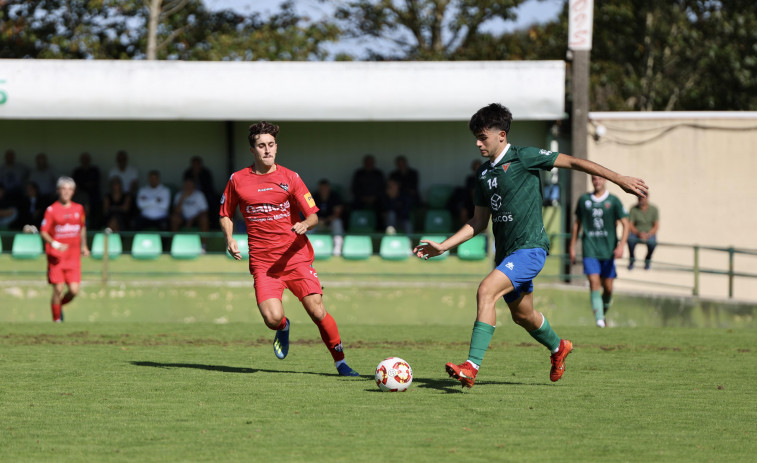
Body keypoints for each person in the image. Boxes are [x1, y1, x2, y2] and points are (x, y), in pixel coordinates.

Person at [413, 103, 647, 388]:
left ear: (501, 135)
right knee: (523, 316)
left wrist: (619, 179)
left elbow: (575, 162)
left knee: (486, 291)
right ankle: (559, 347)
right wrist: (443, 246)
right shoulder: (484, 175)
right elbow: (478, 221)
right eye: (476, 136)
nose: (477, 143)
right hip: (506, 255)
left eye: (482, 137)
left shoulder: (525, 157)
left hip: (531, 248)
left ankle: (471, 367)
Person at [220, 121, 359, 377]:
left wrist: (305, 224)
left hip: (296, 259)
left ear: (276, 147)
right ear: (252, 150)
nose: (267, 150)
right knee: (272, 319)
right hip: (264, 265)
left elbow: (314, 215)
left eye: (271, 145)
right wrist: (229, 238)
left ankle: (341, 363)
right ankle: (283, 327)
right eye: (261, 146)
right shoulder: (237, 180)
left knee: (317, 309)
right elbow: (225, 213)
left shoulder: (291, 177)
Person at [569, 175, 629, 328]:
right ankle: (600, 321)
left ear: (605, 180)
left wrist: (621, 245)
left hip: (608, 251)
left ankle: (602, 313)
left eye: (599, 179)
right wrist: (572, 246)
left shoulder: (613, 201)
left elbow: (626, 224)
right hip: (590, 249)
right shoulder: (584, 200)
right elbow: (577, 224)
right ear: (591, 181)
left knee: (608, 289)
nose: (597, 182)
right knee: (594, 283)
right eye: (594, 179)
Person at [39, 177, 90, 322]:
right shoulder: (51, 210)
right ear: (58, 190)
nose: (66, 192)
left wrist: (84, 246)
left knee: (74, 291)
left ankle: (58, 306)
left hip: (73, 258)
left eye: (69, 189)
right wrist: (54, 244)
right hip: (57, 257)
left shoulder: (79, 209)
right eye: (63, 188)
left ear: (73, 191)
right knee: (58, 289)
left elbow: (82, 228)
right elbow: (43, 231)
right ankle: (56, 320)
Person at [310, 178, 344, 256]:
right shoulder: (314, 196)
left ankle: (337, 250)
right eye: (321, 188)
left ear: (329, 188)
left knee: (337, 222)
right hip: (317, 222)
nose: (323, 190)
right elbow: (309, 212)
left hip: (330, 222)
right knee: (307, 225)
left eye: (325, 188)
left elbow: (338, 213)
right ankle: (307, 251)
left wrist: (327, 220)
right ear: (319, 188)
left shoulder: (335, 196)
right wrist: (317, 220)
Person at [627, 193, 659, 270]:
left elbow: (656, 226)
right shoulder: (633, 209)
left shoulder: (654, 209)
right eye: (639, 197)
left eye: (643, 197)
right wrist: (638, 233)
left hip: (649, 233)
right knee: (630, 240)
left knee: (653, 243)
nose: (641, 199)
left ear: (647, 197)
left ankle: (648, 260)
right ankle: (632, 259)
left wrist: (648, 234)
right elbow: (630, 225)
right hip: (636, 233)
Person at [72, 152, 102, 226]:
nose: (85, 161)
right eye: (83, 159)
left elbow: (94, 184)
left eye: (86, 159)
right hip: (80, 198)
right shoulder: (77, 172)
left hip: (93, 197)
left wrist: (83, 184)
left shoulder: (94, 170)